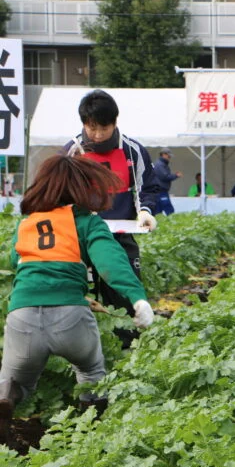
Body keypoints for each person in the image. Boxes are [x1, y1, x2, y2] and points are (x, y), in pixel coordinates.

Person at [0, 155, 154, 430]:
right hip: (71, 317)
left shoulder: (27, 224)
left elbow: (17, 262)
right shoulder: (86, 222)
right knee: (91, 370)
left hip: (22, 315)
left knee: (14, 383)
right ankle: (91, 429)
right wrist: (137, 298)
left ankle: (5, 403)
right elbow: (111, 262)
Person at [62, 89, 159, 323]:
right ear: (83, 123)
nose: (97, 134)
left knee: (124, 292)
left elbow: (147, 187)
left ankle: (128, 343)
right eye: (91, 128)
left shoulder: (132, 150)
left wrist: (145, 211)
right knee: (79, 292)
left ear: (114, 123)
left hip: (121, 234)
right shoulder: (72, 152)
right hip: (81, 237)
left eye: (103, 128)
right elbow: (59, 193)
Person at [153, 148, 181, 215]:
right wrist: (176, 175)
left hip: (159, 190)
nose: (170, 158)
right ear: (163, 154)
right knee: (169, 210)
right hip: (161, 191)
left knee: (158, 211)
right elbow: (165, 177)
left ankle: (159, 223)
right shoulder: (160, 165)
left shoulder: (161, 164)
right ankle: (173, 224)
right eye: (169, 156)